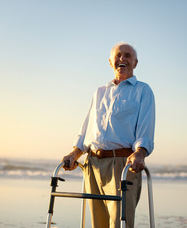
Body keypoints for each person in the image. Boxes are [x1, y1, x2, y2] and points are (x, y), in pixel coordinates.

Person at [61, 42, 155, 228]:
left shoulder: (142, 90)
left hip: (121, 164)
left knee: (120, 223)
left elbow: (146, 127)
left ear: (135, 62)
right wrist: (74, 154)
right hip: (93, 164)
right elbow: (87, 129)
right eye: (118, 55)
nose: (122, 59)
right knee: (98, 224)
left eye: (127, 56)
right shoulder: (99, 92)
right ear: (110, 62)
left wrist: (140, 152)